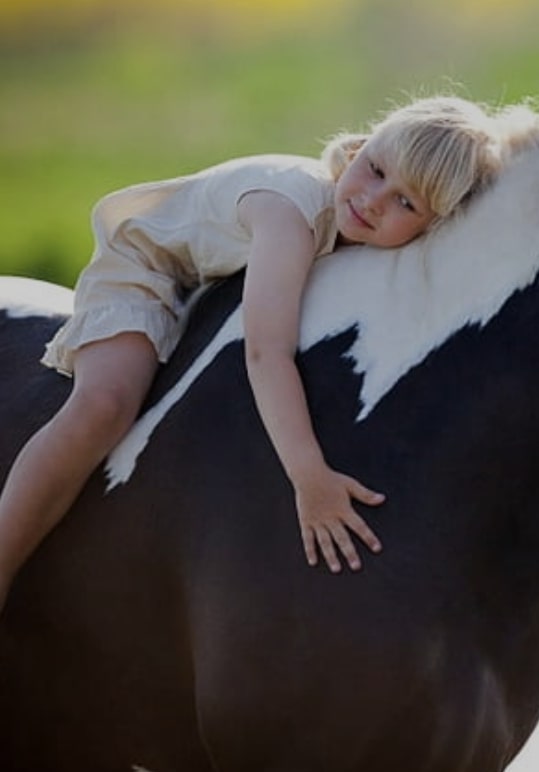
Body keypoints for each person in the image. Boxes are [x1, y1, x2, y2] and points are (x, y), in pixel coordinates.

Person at [0, 96, 502, 613]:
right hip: (150, 270)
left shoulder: (359, 228)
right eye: (376, 171)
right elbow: (266, 352)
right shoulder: (290, 215)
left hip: (212, 290)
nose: (375, 200)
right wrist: (309, 474)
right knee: (104, 404)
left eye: (406, 204)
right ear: (356, 150)